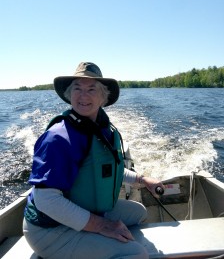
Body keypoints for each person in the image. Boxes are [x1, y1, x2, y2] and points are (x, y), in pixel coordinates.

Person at [23, 62, 164, 259]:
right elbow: (46, 200)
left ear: (103, 97)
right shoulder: (58, 138)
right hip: (50, 231)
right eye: (77, 89)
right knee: (137, 254)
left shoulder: (100, 129)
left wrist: (141, 180)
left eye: (91, 89)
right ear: (69, 94)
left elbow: (105, 171)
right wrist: (102, 226)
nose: (83, 96)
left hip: (82, 210)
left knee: (138, 213)